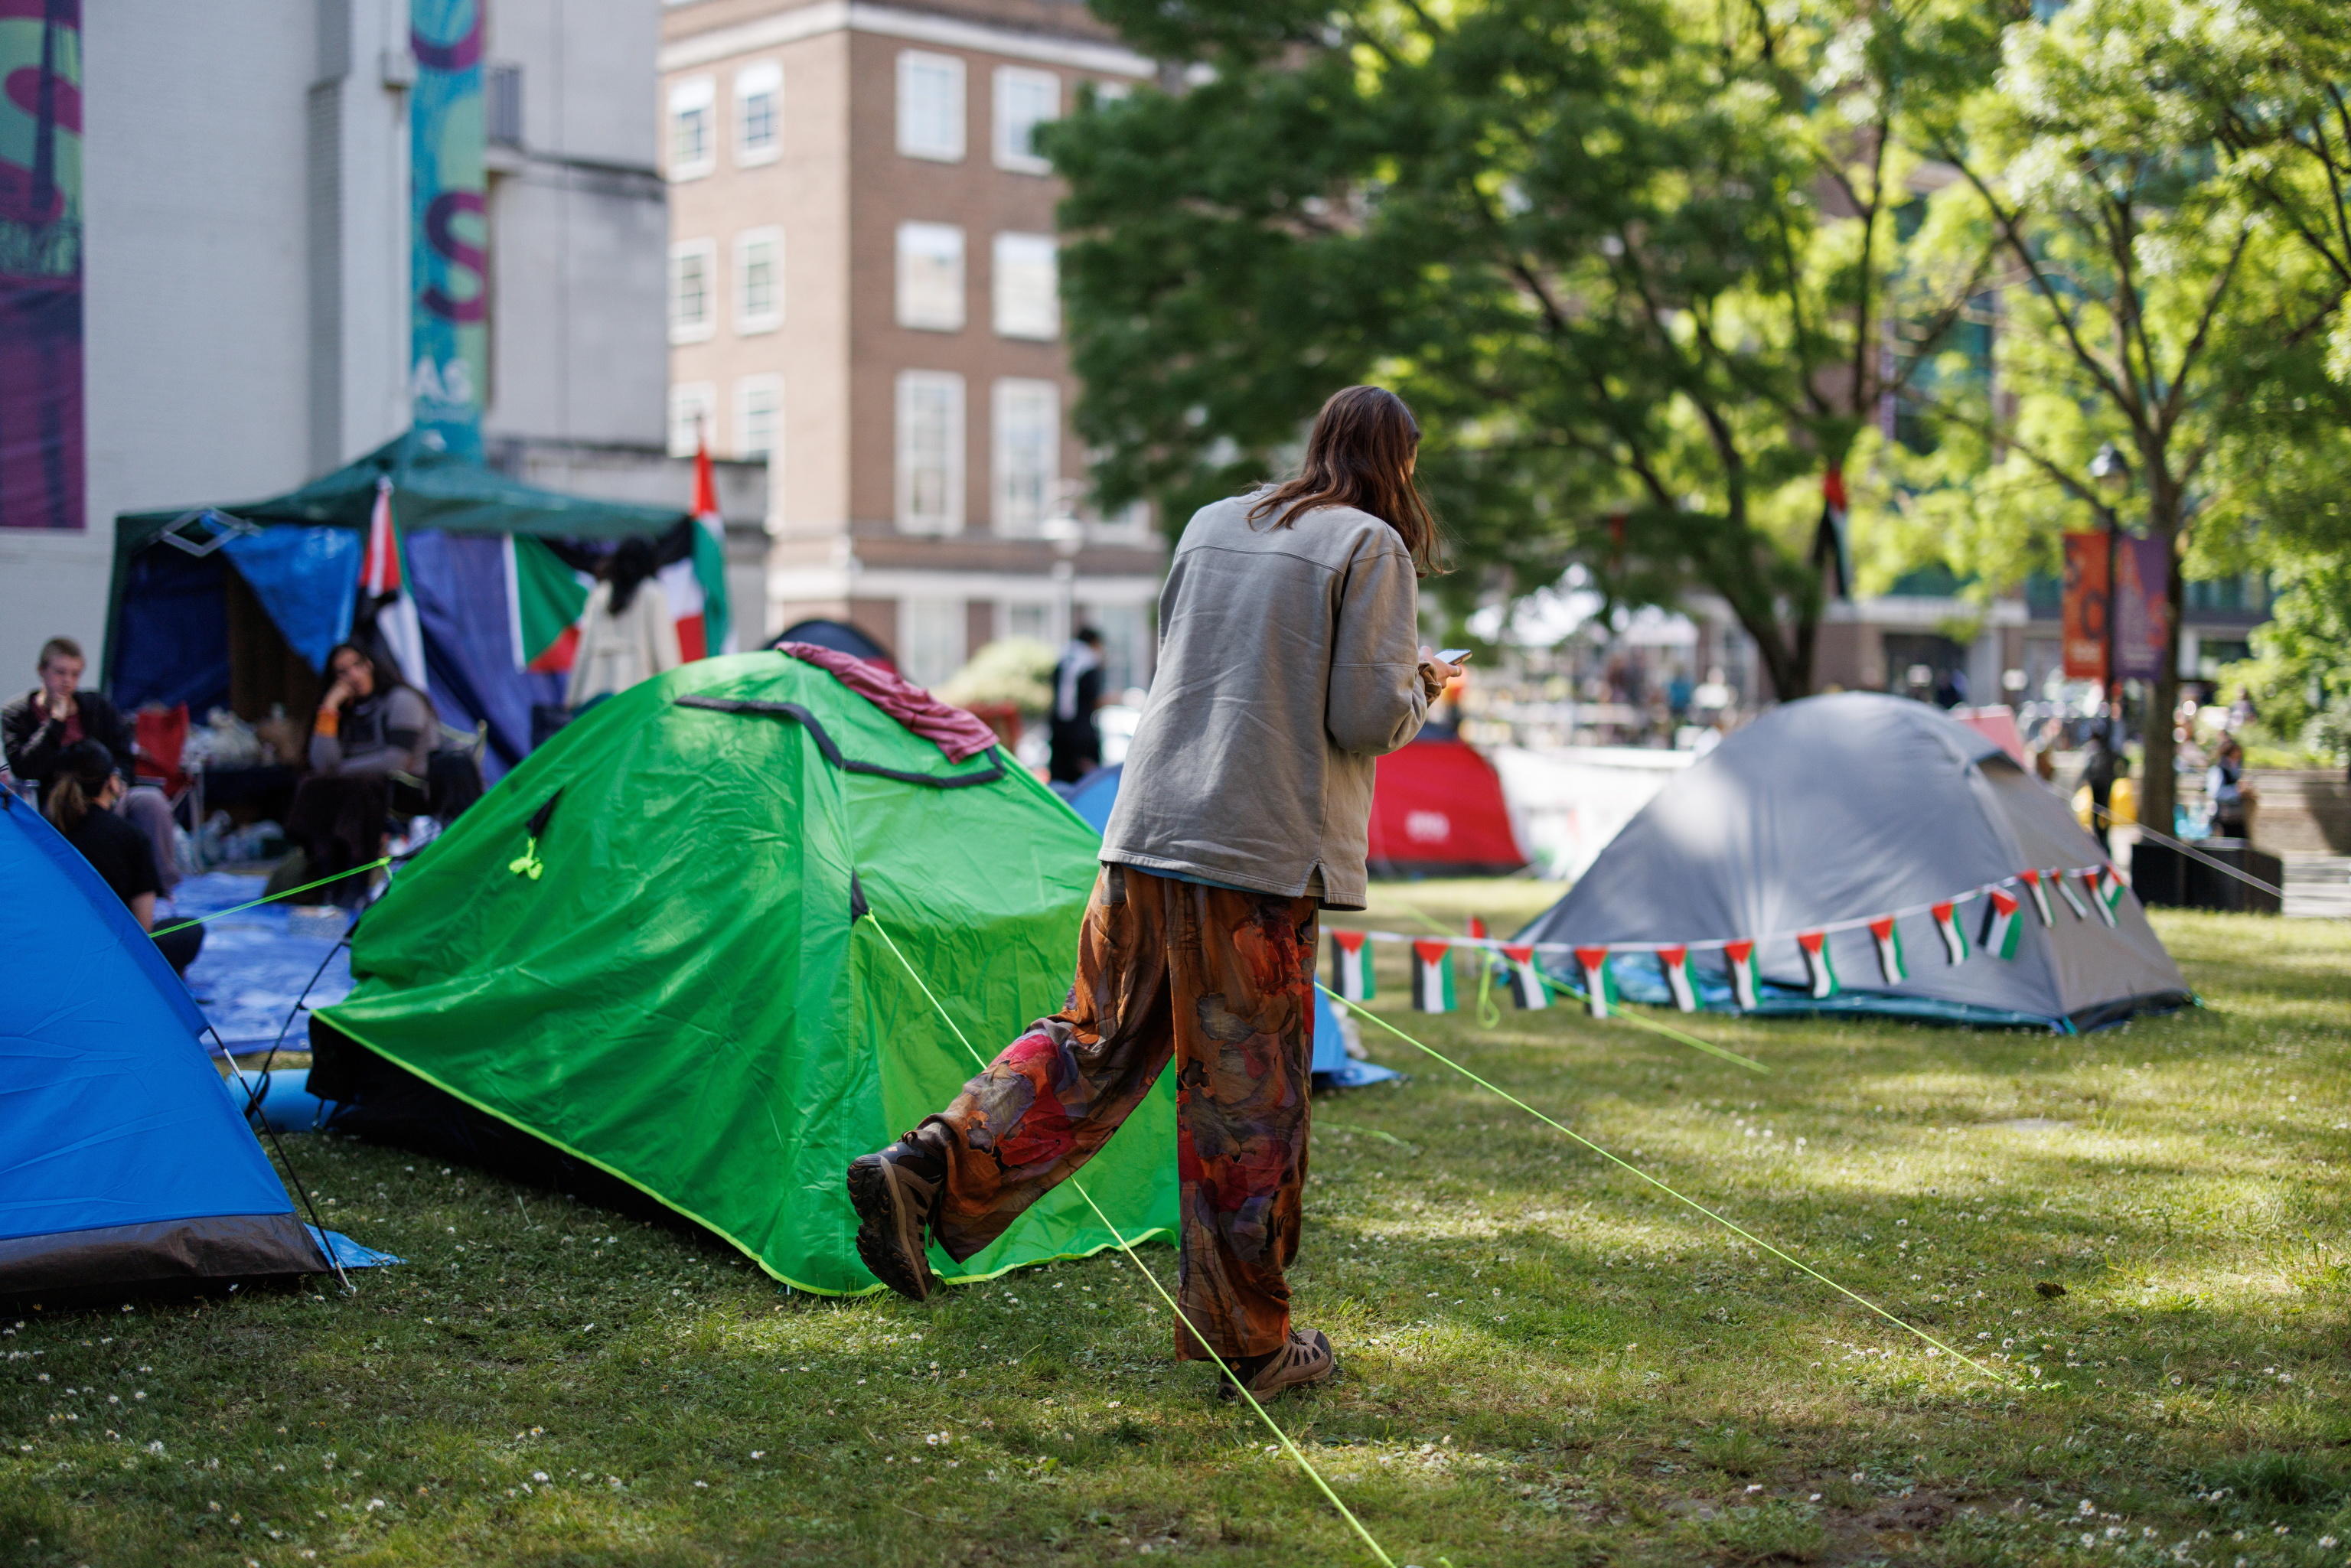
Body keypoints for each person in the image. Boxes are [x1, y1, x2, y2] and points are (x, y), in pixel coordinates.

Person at [847, 385, 1458, 1401]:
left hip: (1144, 831)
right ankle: (1252, 1343)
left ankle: (925, 1169)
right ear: (1399, 460)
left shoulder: (1215, 522)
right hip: (1255, 855)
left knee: (1094, 1040)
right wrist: (1425, 686)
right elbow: (1362, 715)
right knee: (1246, 1104)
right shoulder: (1370, 546)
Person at [4, 636, 184, 894]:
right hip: (59, 801)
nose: (67, 681)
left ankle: (161, 892)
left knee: (150, 802)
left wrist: (119, 780)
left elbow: (123, 753)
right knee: (97, 823)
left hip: (104, 793)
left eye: (75, 674)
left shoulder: (96, 707)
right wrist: (55, 723)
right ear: (42, 671)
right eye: (60, 672)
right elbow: (25, 767)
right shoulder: (16, 715)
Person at [285, 643, 435, 905]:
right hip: (360, 788)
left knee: (356, 790)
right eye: (342, 672)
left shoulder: (402, 700)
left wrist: (340, 771)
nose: (353, 676)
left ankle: (357, 879)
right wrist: (329, 708)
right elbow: (322, 764)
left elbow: (397, 760)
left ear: (370, 665)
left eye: (357, 665)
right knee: (315, 785)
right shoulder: (347, 711)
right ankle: (327, 874)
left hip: (409, 787)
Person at [43, 739, 203, 975]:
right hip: (115, 961)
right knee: (189, 930)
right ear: (112, 783)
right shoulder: (130, 838)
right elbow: (143, 927)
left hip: (53, 951)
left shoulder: (45, 832)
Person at [566, 537, 680, 709]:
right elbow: (663, 648)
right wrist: (676, 691)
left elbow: (584, 649)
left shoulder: (599, 594)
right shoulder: (653, 594)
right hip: (636, 694)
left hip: (594, 694)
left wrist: (572, 697)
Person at [1048, 626, 1107, 784]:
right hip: (1081, 732)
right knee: (1087, 781)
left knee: (1060, 779)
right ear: (1094, 643)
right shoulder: (1088, 661)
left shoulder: (1063, 658)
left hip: (1059, 729)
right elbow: (1093, 698)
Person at [2082, 725, 2120, 852]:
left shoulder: (2105, 751)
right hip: (2099, 786)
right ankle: (2100, 838)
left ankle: (2103, 838)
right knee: (2099, 812)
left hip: (2103, 786)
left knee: (2103, 813)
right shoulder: (2098, 750)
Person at [2208, 733, 2254, 839]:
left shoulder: (2236, 771)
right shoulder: (2218, 771)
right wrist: (2237, 791)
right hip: (2224, 819)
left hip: (2238, 819)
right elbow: (2216, 794)